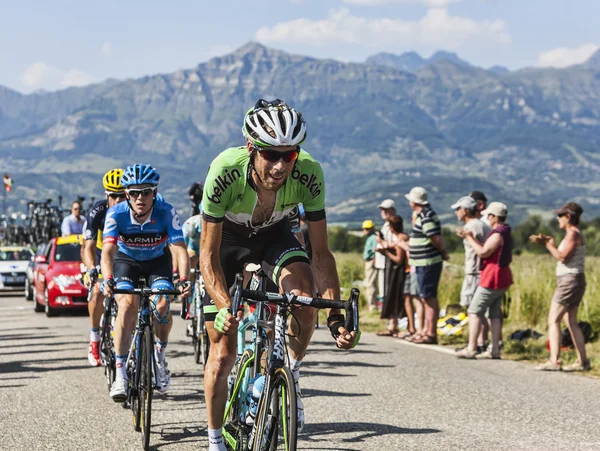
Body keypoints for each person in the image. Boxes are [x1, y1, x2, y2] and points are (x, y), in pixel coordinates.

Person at [199, 99, 359, 451]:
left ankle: (291, 373)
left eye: (288, 155)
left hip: (275, 235)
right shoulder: (225, 171)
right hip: (228, 241)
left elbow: (320, 254)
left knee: (303, 296)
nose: (279, 165)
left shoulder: (309, 173)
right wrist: (226, 305)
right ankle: (214, 439)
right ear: (251, 148)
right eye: (271, 154)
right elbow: (207, 255)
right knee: (223, 353)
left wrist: (334, 315)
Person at [100, 164, 192, 402]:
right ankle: (121, 374)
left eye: (146, 192)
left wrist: (183, 279)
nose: (140, 198)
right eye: (134, 193)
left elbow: (179, 249)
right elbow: (108, 251)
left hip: (157, 262)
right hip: (126, 261)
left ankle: (159, 358)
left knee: (161, 305)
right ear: (127, 194)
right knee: (127, 305)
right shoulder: (116, 213)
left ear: (155, 192)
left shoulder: (166, 211)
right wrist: (108, 279)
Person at [530, 202, 590, 372]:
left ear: (569, 216)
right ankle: (582, 361)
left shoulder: (572, 234)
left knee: (553, 319)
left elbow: (563, 257)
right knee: (571, 321)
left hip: (569, 281)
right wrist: (550, 242)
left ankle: (554, 360)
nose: (558, 218)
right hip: (574, 280)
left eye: (560, 215)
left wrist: (547, 244)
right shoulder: (574, 234)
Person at [456, 202, 513, 359]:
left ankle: (472, 348)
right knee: (494, 313)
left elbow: (483, 252)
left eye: (489, 215)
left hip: (492, 276)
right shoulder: (505, 232)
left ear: (494, 217)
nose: (487, 218)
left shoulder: (497, 234)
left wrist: (469, 238)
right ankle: (494, 349)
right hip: (501, 276)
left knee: (474, 311)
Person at [82, 168, 126, 367]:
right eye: (113, 196)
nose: (118, 201)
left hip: (125, 256)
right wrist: (91, 268)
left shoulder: (133, 209)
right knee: (97, 292)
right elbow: (88, 246)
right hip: (102, 254)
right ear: (106, 195)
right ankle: (94, 338)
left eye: (122, 196)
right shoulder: (98, 211)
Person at [404, 187, 449, 344]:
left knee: (429, 298)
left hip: (427, 262)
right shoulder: (423, 214)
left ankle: (430, 332)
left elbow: (434, 237)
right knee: (425, 297)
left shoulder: (426, 215)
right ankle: (426, 331)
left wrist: (443, 251)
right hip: (421, 262)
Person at [453, 196, 490, 309]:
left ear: (465, 210)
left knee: (470, 305)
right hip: (478, 271)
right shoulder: (479, 224)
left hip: (475, 272)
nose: (456, 212)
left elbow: (479, 247)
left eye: (458, 209)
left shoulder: (472, 226)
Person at [379, 216, 408, 333]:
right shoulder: (401, 237)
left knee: (397, 297)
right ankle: (393, 324)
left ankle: (395, 325)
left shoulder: (401, 237)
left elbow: (399, 259)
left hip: (400, 271)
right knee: (394, 296)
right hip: (398, 271)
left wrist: (385, 253)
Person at [375, 199, 397, 334]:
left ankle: (392, 324)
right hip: (384, 263)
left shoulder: (392, 225)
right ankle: (391, 323)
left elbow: (394, 243)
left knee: (390, 293)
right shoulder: (387, 225)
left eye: (386, 210)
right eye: (382, 210)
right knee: (386, 294)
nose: (383, 212)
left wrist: (381, 244)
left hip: (389, 263)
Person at [362, 220, 378, 312]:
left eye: (367, 228)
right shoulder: (370, 237)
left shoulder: (373, 237)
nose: (366, 230)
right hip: (369, 261)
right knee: (369, 283)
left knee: (371, 284)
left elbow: (375, 250)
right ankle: (371, 304)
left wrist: (374, 260)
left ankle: (372, 305)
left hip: (371, 261)